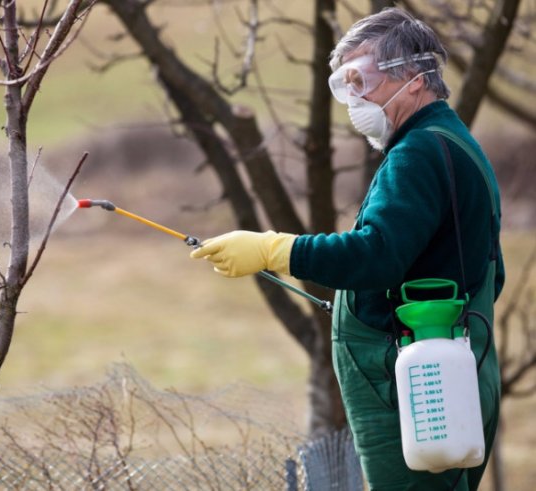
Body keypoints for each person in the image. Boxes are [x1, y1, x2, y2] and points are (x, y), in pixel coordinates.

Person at [190, 7, 504, 491]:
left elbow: (376, 255)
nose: (354, 99)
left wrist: (277, 250)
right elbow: (489, 275)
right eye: (346, 84)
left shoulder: (418, 154)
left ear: (416, 80)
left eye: (363, 80)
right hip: (450, 381)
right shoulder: (453, 143)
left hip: (416, 392)